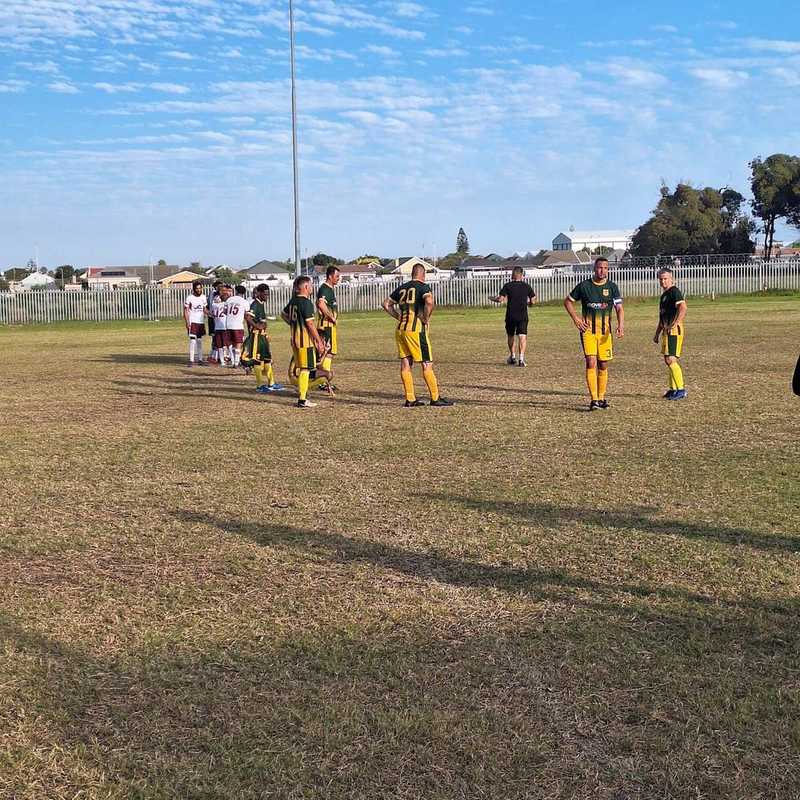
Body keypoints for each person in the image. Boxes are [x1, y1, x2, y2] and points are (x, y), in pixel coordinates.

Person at [381, 263, 454, 408]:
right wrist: (426, 319)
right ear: (423, 274)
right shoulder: (423, 287)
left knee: (406, 363)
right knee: (427, 363)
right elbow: (429, 302)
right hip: (416, 331)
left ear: (412, 273)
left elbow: (385, 304)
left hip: (401, 329)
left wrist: (398, 317)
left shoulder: (402, 288)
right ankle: (435, 397)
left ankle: (410, 399)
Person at [564, 257, 624, 410]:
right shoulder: (584, 286)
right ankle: (594, 399)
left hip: (605, 334)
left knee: (603, 365)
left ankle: (602, 397)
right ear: (594, 269)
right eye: (599, 267)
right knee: (591, 362)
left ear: (608, 269)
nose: (602, 270)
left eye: (605, 268)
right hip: (588, 332)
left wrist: (620, 324)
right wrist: (576, 319)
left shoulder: (612, 287)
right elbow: (568, 301)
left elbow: (619, 308)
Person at [281, 276, 329, 408]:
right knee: (305, 369)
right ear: (306, 287)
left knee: (303, 368)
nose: (312, 288)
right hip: (305, 341)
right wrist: (319, 341)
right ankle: (302, 399)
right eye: (311, 285)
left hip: (294, 340)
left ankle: (303, 395)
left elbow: (283, 314)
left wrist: (293, 325)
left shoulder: (293, 301)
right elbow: (310, 324)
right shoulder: (306, 302)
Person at [490, 265, 537, 366]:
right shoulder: (526, 286)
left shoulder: (508, 286)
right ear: (522, 275)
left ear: (513, 275)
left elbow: (500, 299)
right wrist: (529, 304)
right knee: (522, 336)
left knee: (510, 335)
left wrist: (492, 299)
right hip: (523, 315)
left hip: (511, 315)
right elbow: (533, 300)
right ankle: (521, 359)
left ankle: (512, 356)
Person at [653, 268, 687, 400]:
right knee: (668, 360)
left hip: (673, 331)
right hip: (666, 331)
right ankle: (673, 389)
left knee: (671, 359)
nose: (663, 281)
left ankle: (681, 389)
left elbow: (683, 307)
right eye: (661, 279)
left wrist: (677, 323)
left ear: (671, 279)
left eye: (665, 278)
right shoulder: (664, 296)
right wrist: (657, 334)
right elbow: (662, 318)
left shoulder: (674, 292)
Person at [242, 284, 282, 393]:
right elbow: (248, 317)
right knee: (258, 360)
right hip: (256, 336)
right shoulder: (255, 304)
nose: (266, 296)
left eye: (267, 294)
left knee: (267, 359)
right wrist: (257, 326)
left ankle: (271, 383)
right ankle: (259, 386)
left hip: (262, 336)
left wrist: (265, 331)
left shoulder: (261, 304)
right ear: (258, 293)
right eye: (265, 294)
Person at [316, 265, 341, 389]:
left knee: (329, 353)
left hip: (329, 326)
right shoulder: (325, 289)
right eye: (337, 276)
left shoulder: (329, 289)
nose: (338, 278)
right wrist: (331, 317)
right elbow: (321, 304)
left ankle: (323, 381)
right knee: (327, 353)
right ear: (330, 276)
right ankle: (323, 381)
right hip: (326, 326)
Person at [183, 280, 209, 367]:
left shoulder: (203, 297)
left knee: (199, 341)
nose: (199, 290)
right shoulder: (189, 298)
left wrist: (211, 314)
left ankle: (200, 359)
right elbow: (186, 311)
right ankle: (191, 360)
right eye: (197, 288)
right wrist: (187, 322)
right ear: (194, 289)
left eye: (200, 288)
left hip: (200, 322)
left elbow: (204, 309)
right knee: (192, 341)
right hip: (192, 321)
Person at [224, 285, 250, 368]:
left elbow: (224, 311)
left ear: (236, 291)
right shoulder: (244, 301)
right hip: (238, 325)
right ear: (244, 293)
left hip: (228, 324)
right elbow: (247, 313)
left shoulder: (229, 300)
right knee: (238, 343)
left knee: (231, 343)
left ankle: (232, 360)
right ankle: (236, 362)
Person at [209, 285, 229, 365]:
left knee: (221, 345)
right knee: (224, 344)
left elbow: (212, 312)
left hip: (218, 325)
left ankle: (222, 359)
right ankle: (224, 358)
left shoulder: (215, 302)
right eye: (222, 290)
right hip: (223, 325)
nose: (224, 292)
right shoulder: (222, 301)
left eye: (225, 290)